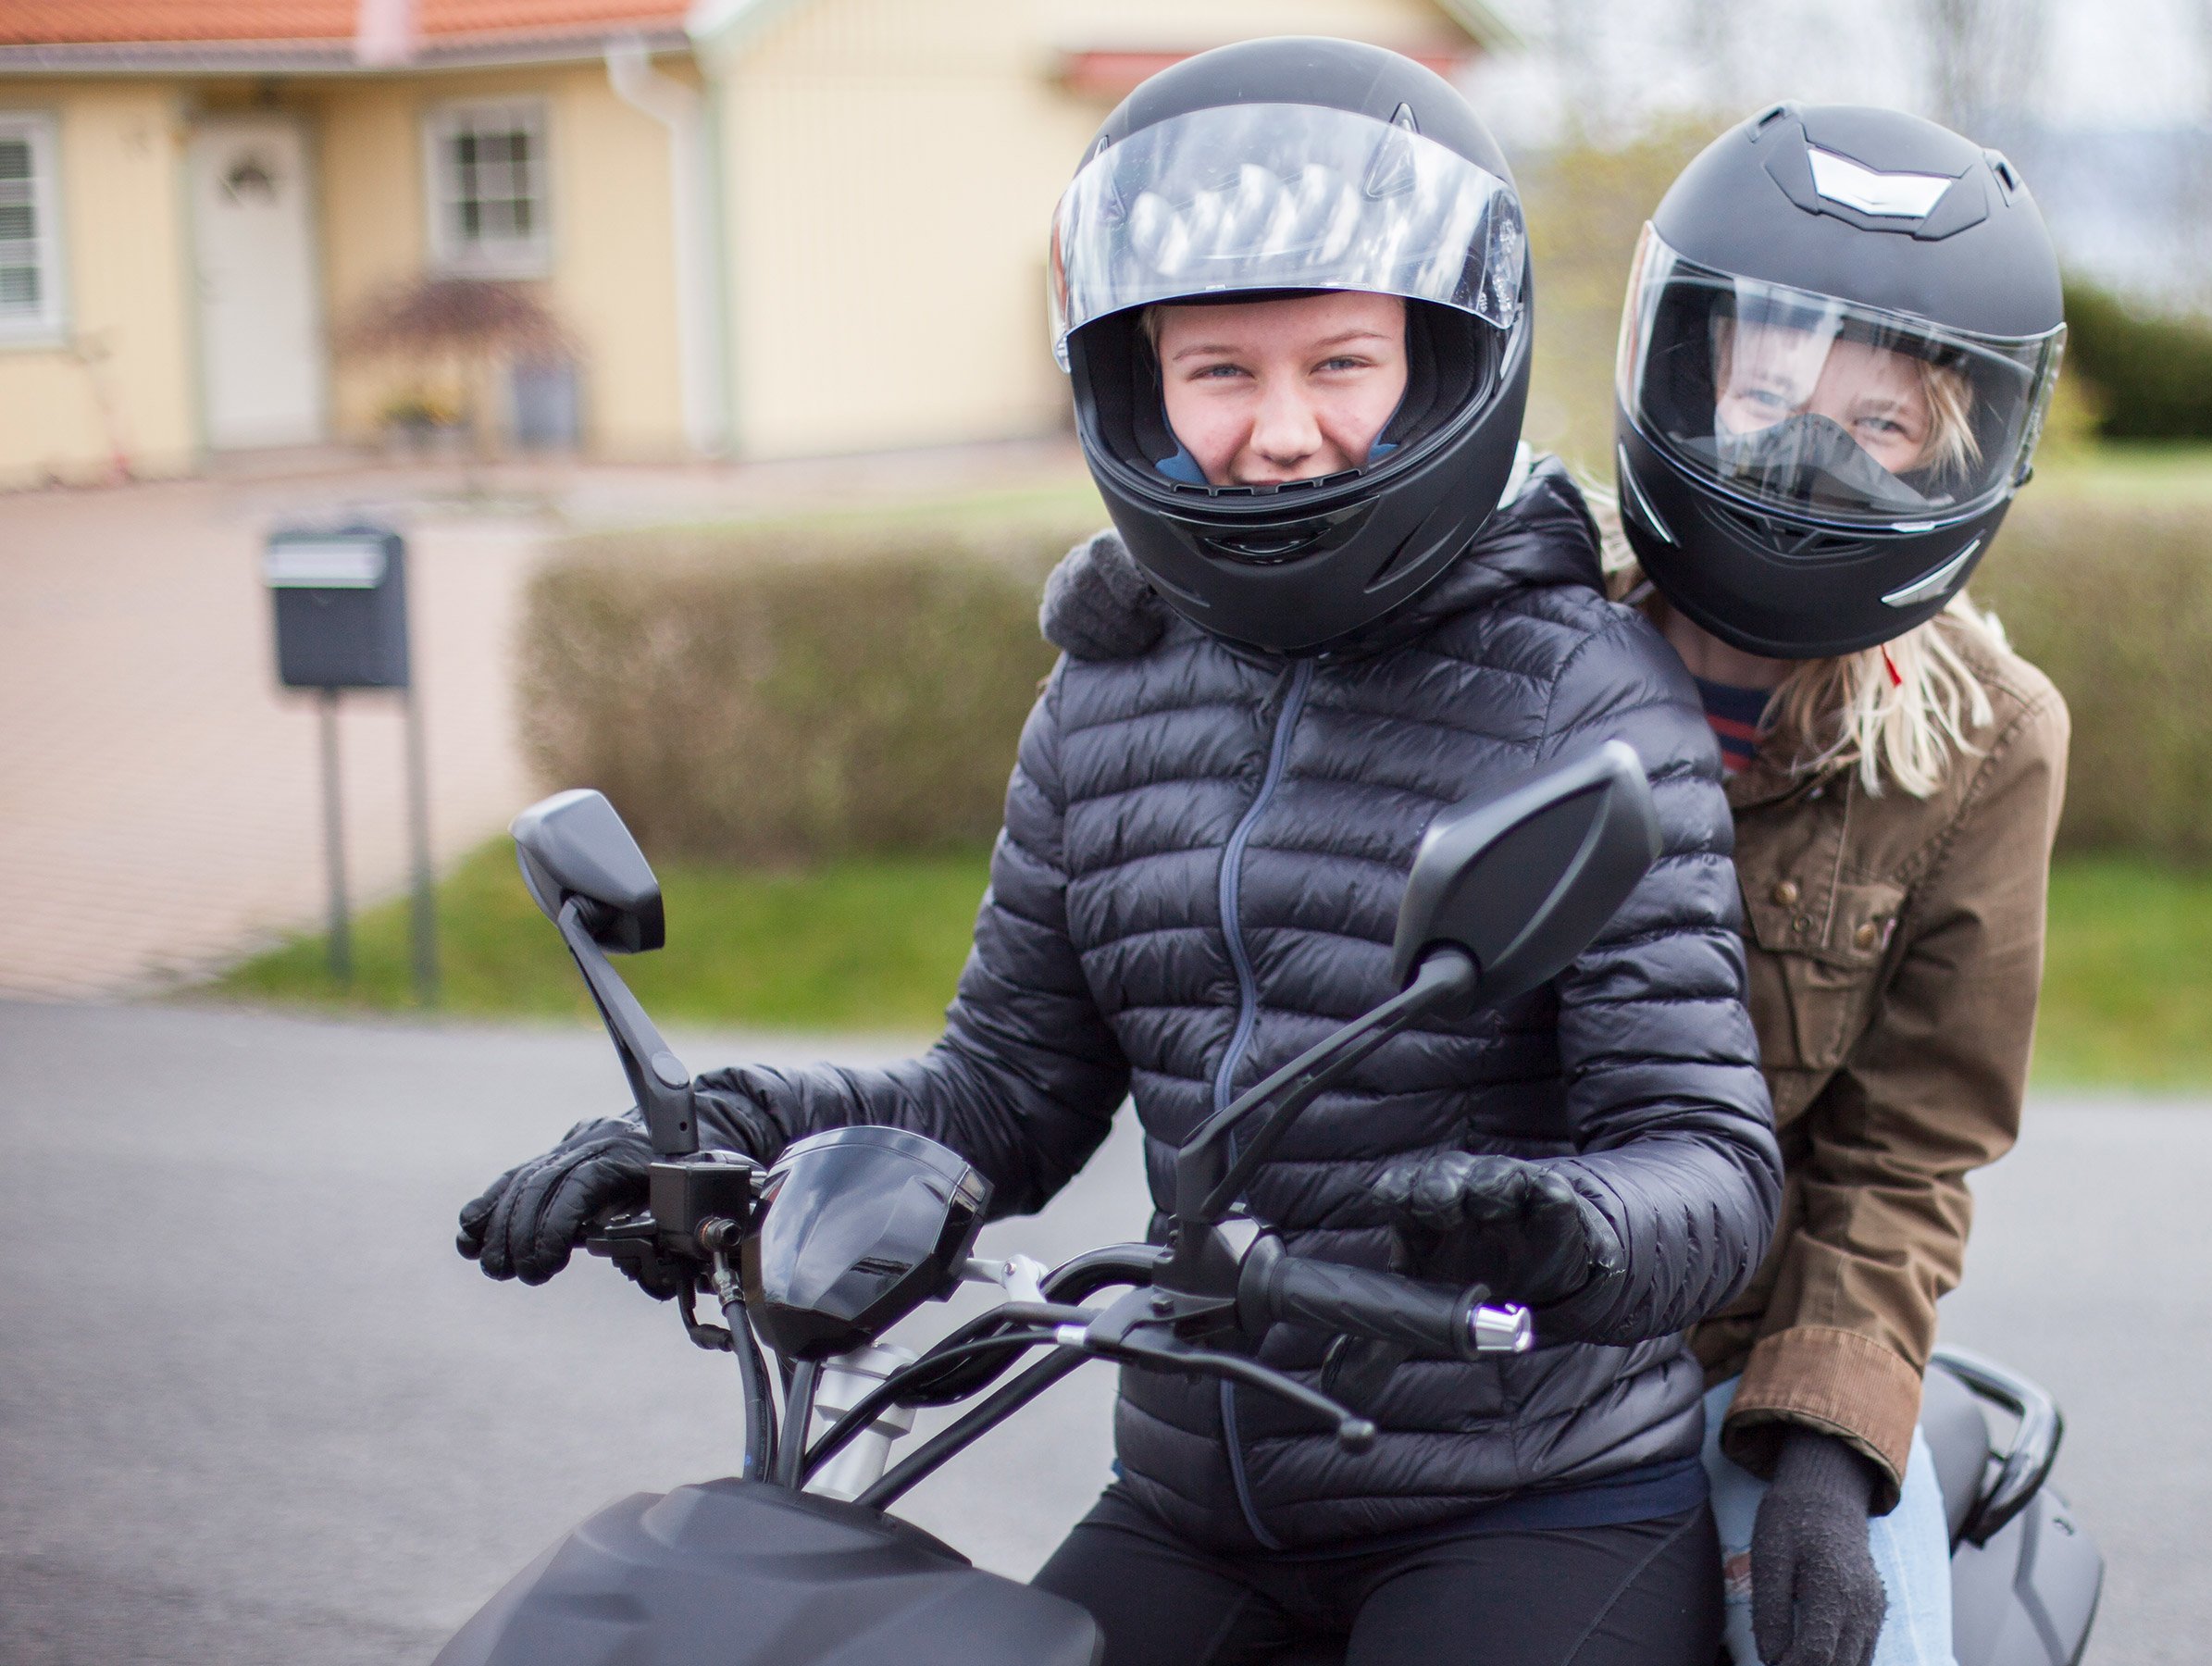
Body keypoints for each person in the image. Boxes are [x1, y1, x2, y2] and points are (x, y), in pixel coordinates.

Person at [457, 38, 1783, 1666]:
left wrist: (1565, 1227)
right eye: (1220, 371)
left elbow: (1711, 1160)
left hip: (1524, 1494)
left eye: (1342, 366)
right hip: (1195, 1488)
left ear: (1447, 369)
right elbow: (1004, 1095)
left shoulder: (1583, 699)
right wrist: (713, 1141)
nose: (1281, 431)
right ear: (1137, 385)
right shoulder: (1107, 695)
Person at [1609, 106, 2074, 1666]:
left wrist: (1819, 1437)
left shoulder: (1981, 740)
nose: (1807, 445)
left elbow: (1907, 1149)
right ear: (1687, 377)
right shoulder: (1532, 634)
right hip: (1487, 1346)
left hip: (1745, 1354)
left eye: (1876, 427)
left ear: (1956, 452)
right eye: (1764, 392)